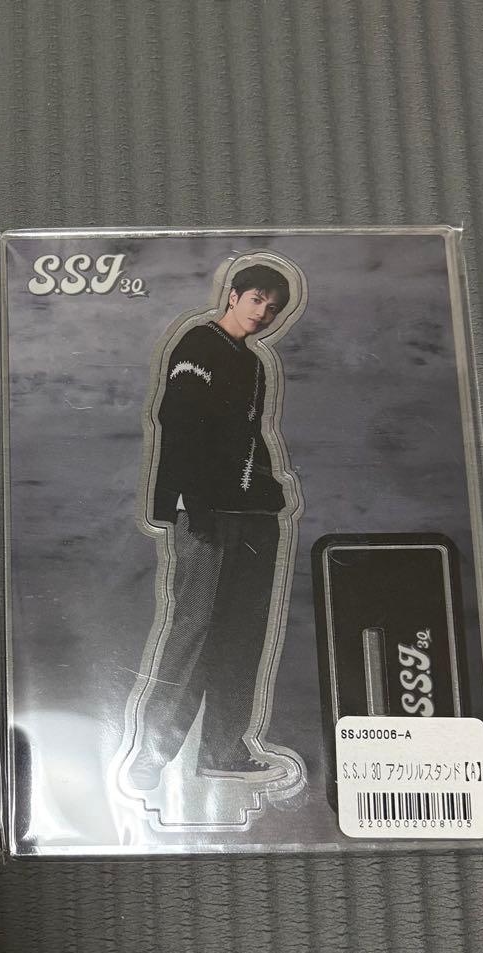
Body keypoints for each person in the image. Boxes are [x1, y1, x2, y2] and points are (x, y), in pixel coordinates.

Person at [126, 263, 298, 789]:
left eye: (273, 308)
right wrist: (188, 499)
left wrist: (270, 489)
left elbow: (249, 434)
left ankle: (224, 751)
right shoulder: (199, 344)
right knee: (194, 629)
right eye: (256, 300)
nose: (263, 313)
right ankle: (151, 755)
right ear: (234, 295)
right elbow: (178, 421)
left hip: (252, 515)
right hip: (205, 512)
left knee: (242, 634)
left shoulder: (255, 364)